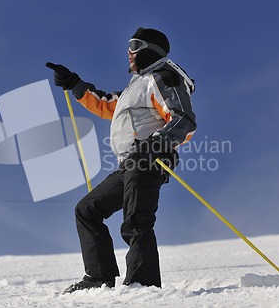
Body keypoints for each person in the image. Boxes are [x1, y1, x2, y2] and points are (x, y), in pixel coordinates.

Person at [46, 27, 196, 294]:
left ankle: (142, 284)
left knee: (136, 220)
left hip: (150, 159)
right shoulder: (134, 88)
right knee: (87, 210)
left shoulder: (163, 76)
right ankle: (98, 277)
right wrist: (74, 84)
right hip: (128, 164)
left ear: (152, 49)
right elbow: (104, 103)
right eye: (128, 45)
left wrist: (157, 144)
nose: (130, 51)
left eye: (136, 44)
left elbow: (183, 118)